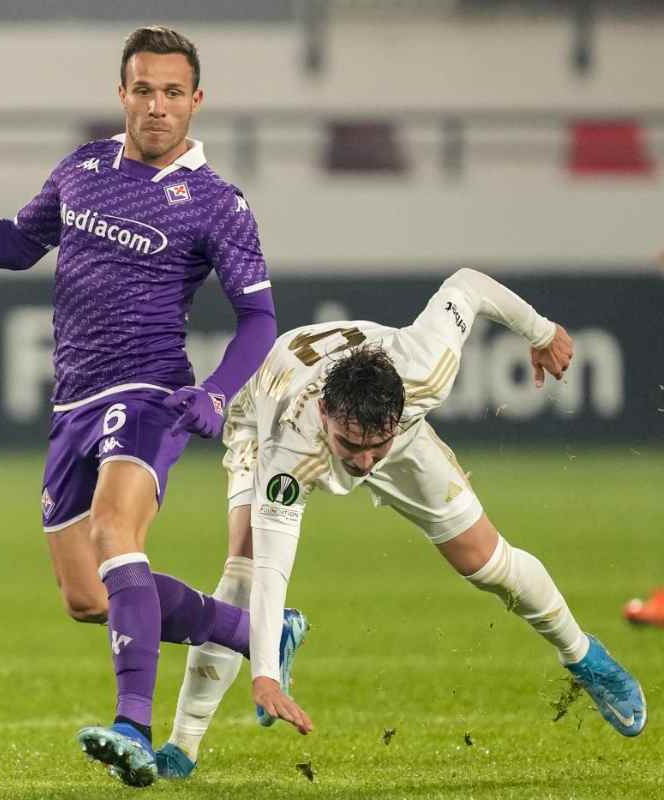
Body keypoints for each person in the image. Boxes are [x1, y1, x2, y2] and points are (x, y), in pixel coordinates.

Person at [0, 26, 280, 786]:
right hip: (72, 400)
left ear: (197, 101)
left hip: (149, 391)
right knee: (88, 598)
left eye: (173, 93)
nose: (157, 106)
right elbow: (19, 244)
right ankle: (258, 631)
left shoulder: (216, 203)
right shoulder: (83, 168)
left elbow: (259, 319)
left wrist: (216, 392)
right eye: (143, 90)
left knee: (119, 532)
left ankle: (133, 729)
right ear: (122, 94)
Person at [155, 268, 647, 779]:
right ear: (326, 415)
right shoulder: (291, 446)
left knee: (486, 563)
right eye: (352, 445)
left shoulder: (424, 370)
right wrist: (265, 676)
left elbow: (468, 283)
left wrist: (541, 332)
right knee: (244, 573)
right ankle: (182, 749)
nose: (365, 462)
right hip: (262, 409)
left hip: (396, 431)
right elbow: (275, 570)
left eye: (375, 446)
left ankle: (585, 656)